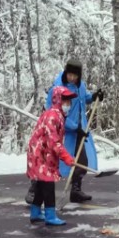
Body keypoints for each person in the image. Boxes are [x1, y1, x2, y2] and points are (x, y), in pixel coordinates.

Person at [45, 59, 103, 203]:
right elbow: (53, 110)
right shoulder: (59, 87)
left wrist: (94, 96)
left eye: (75, 75)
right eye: (70, 74)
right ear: (66, 72)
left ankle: (76, 190)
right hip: (62, 131)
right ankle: (34, 190)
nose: (72, 78)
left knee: (81, 160)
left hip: (78, 131)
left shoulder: (80, 86)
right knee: (50, 161)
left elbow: (84, 98)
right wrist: (72, 126)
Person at [26, 86, 78, 226]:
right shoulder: (52, 116)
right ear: (57, 100)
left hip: (44, 153)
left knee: (42, 183)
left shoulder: (58, 115)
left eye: (69, 102)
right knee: (48, 183)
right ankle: (50, 215)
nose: (68, 104)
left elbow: (54, 142)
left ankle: (35, 212)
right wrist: (67, 157)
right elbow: (54, 142)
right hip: (40, 154)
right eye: (65, 100)